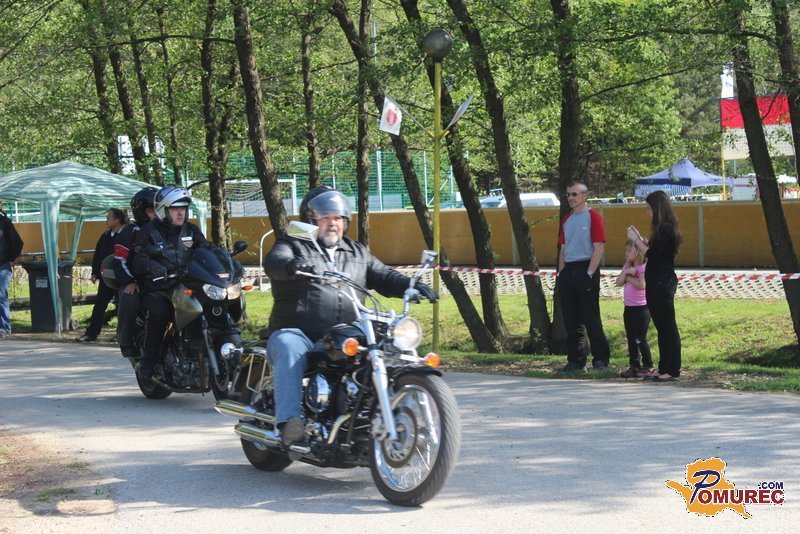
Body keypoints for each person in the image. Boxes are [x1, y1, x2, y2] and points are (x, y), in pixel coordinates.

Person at [265, 187, 438, 446]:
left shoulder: (356, 251)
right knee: (288, 347)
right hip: (299, 332)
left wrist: (410, 285)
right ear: (311, 220)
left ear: (345, 221)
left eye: (337, 218)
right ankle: (289, 423)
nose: (332, 223)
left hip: (346, 332)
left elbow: (383, 275)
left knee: (385, 347)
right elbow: (275, 262)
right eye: (325, 217)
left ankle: (372, 413)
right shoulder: (292, 244)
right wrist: (292, 265)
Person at [131, 185, 210, 384]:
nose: (181, 213)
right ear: (162, 210)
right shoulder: (148, 232)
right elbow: (138, 258)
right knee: (160, 311)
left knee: (214, 304)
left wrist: (224, 261)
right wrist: (154, 267)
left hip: (188, 285)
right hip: (160, 287)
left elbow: (207, 249)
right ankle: (148, 363)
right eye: (175, 209)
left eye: (183, 208)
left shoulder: (191, 230)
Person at [627, 190, 683, 382]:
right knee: (660, 326)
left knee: (667, 326)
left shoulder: (667, 228)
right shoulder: (660, 230)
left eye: (649, 209)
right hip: (655, 281)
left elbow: (653, 254)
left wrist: (636, 240)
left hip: (663, 282)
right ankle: (664, 367)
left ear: (658, 209)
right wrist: (640, 239)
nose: (647, 212)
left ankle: (672, 369)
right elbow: (653, 249)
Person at [556, 180, 611, 373]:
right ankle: (576, 359)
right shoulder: (567, 219)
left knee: (591, 316)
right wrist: (561, 273)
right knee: (571, 318)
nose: (571, 198)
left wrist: (589, 273)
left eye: (574, 194)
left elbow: (598, 247)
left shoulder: (593, 217)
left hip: (586, 267)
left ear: (585, 195)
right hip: (569, 270)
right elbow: (563, 248)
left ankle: (600, 358)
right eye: (568, 194)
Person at [111, 188, 157, 359]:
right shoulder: (130, 232)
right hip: (137, 282)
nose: (156, 214)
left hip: (163, 280)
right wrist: (130, 281)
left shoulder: (166, 229)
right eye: (151, 210)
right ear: (141, 211)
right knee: (130, 298)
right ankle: (125, 341)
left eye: (159, 209)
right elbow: (119, 261)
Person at [76, 208, 127, 342]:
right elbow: (98, 254)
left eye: (109, 218)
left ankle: (121, 334)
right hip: (107, 278)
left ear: (117, 220)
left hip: (122, 278)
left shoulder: (127, 234)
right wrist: (95, 272)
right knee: (99, 305)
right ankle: (91, 333)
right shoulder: (105, 235)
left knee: (123, 306)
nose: (106, 220)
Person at [616, 239, 653, 378]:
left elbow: (642, 285)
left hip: (641, 309)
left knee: (640, 338)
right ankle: (634, 365)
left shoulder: (642, 267)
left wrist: (629, 278)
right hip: (629, 308)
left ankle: (648, 365)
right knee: (631, 338)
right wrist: (626, 272)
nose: (626, 253)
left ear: (637, 252)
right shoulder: (628, 266)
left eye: (629, 250)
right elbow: (618, 282)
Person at [0, 201, 23, 338]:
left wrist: (11, 259)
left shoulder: (5, 223)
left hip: (2, 266)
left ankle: (4, 328)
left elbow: (18, 242)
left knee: (1, 295)